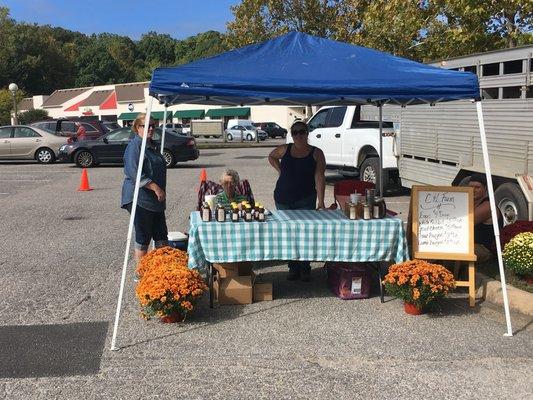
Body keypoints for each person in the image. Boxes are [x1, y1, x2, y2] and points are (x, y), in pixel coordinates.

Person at [268, 120, 326, 281]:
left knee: (305, 234)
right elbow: (271, 156)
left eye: (302, 132)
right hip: (283, 198)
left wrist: (321, 202)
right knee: (288, 235)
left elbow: (320, 177)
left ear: (307, 133)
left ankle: (305, 268)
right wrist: (280, 170)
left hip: (306, 199)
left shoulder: (316, 152)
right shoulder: (285, 149)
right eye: (295, 132)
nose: (299, 135)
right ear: (291, 135)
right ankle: (293, 268)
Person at [121, 113, 168, 262]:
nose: (151, 128)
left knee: (161, 237)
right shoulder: (135, 146)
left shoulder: (152, 146)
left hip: (155, 202)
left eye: (153, 125)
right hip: (139, 199)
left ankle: (161, 272)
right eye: (146, 125)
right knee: (143, 237)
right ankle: (141, 275)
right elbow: (134, 173)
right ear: (137, 128)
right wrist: (156, 188)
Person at [469, 173, 502, 262]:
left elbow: (464, 223)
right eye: (471, 187)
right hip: (472, 243)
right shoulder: (471, 202)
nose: (473, 190)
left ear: (485, 189)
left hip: (485, 248)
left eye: (477, 187)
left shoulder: (487, 206)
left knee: (455, 250)